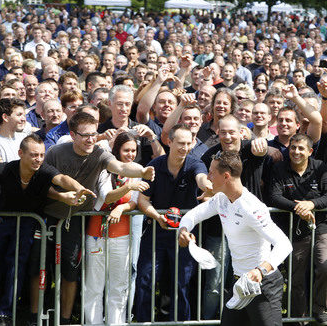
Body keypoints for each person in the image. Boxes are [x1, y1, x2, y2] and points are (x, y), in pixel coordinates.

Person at [29, 112, 155, 325]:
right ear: (73, 135)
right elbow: (41, 184)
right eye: (84, 135)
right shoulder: (56, 152)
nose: (90, 139)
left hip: (76, 221)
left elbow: (122, 167)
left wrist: (143, 171)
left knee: (70, 273)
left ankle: (67, 320)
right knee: (38, 269)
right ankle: (34, 318)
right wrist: (61, 196)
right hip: (48, 218)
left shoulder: (100, 154)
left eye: (93, 134)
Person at [177, 151, 293, 326]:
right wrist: (183, 230)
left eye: (211, 173)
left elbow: (284, 244)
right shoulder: (221, 199)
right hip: (240, 284)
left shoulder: (252, 208)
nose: (208, 178)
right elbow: (193, 215)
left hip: (263, 285)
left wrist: (260, 271)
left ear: (225, 176)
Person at [0, 134, 95, 326]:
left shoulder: (44, 170)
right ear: (21, 153)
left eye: (41, 155)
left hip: (28, 224)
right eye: (33, 155)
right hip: (1, 221)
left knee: (16, 266)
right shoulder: (3, 169)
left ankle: (6, 313)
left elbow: (62, 179)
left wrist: (79, 188)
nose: (38, 159)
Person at [135, 124, 212, 322]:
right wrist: (156, 216)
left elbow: (202, 179)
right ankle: (143, 321)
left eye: (188, 143)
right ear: (169, 142)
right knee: (145, 279)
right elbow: (142, 200)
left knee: (182, 283)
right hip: (155, 231)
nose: (184, 147)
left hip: (184, 234)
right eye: (180, 143)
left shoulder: (196, 164)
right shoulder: (155, 166)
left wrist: (209, 187)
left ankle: (180, 322)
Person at [270, 133, 327, 325]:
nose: (296, 152)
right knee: (296, 277)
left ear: (309, 151)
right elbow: (274, 196)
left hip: (320, 228)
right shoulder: (279, 168)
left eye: (301, 148)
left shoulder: (320, 167)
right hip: (293, 230)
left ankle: (319, 309)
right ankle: (297, 319)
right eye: (293, 148)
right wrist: (297, 208)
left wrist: (311, 203)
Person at [84, 132, 150, 324]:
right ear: (117, 150)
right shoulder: (106, 170)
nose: (130, 154)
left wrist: (122, 206)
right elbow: (106, 197)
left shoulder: (139, 171)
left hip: (122, 236)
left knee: (119, 286)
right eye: (126, 150)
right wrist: (128, 188)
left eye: (133, 151)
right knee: (94, 286)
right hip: (97, 234)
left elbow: (136, 202)